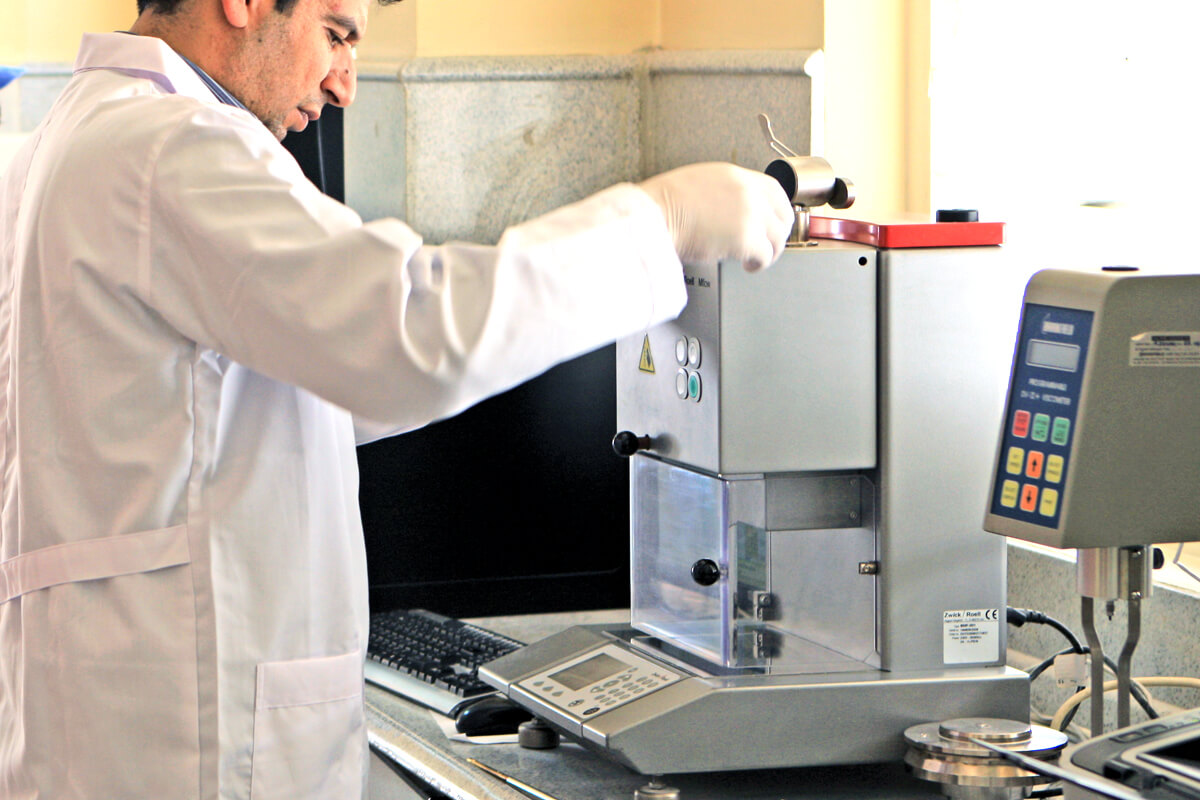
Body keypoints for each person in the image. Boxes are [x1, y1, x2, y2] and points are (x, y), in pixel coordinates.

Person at [0, 0, 792, 796]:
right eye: (335, 33)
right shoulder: (169, 147)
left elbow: (314, 382)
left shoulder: (65, 140)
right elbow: (405, 334)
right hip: (182, 741)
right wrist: (657, 224)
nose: (344, 84)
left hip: (124, 719)